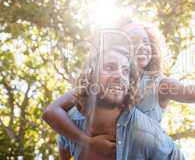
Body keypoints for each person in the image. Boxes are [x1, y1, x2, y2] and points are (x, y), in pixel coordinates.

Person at [43, 16, 195, 158]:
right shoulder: (100, 83)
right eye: (132, 41)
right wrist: (87, 142)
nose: (142, 46)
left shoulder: (158, 84)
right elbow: (55, 116)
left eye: (144, 41)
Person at [55, 41, 185, 160]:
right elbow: (63, 146)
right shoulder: (71, 122)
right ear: (90, 75)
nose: (119, 76)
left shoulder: (147, 136)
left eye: (125, 71)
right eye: (110, 68)